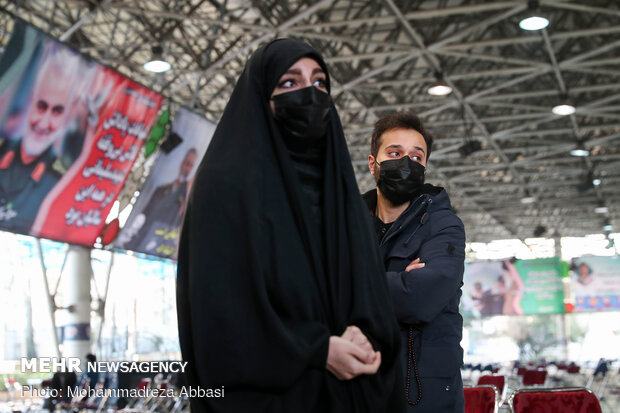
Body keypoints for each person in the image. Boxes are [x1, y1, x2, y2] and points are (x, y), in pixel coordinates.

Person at [176, 39, 404, 413]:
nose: (309, 94)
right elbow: (220, 314)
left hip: (349, 393)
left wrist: (364, 335)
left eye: (319, 83)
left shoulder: (339, 190)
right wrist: (317, 349)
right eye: (288, 83)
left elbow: (368, 288)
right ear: (260, 97)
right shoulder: (225, 186)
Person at [363, 111, 466, 412]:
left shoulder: (444, 226)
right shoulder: (347, 224)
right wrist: (399, 280)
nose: (406, 163)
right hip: (360, 385)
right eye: (395, 153)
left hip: (425, 392)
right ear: (374, 164)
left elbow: (419, 298)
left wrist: (354, 283)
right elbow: (316, 294)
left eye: (416, 157)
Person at [0, 47, 76, 234]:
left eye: (57, 111)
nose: (44, 123)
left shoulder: (60, 183)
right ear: (30, 102)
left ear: (66, 118)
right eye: (41, 106)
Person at [122, 147, 197, 252]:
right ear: (181, 163)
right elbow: (145, 214)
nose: (187, 169)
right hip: (141, 240)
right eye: (186, 163)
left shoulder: (188, 199)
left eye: (190, 165)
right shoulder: (161, 190)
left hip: (160, 246)